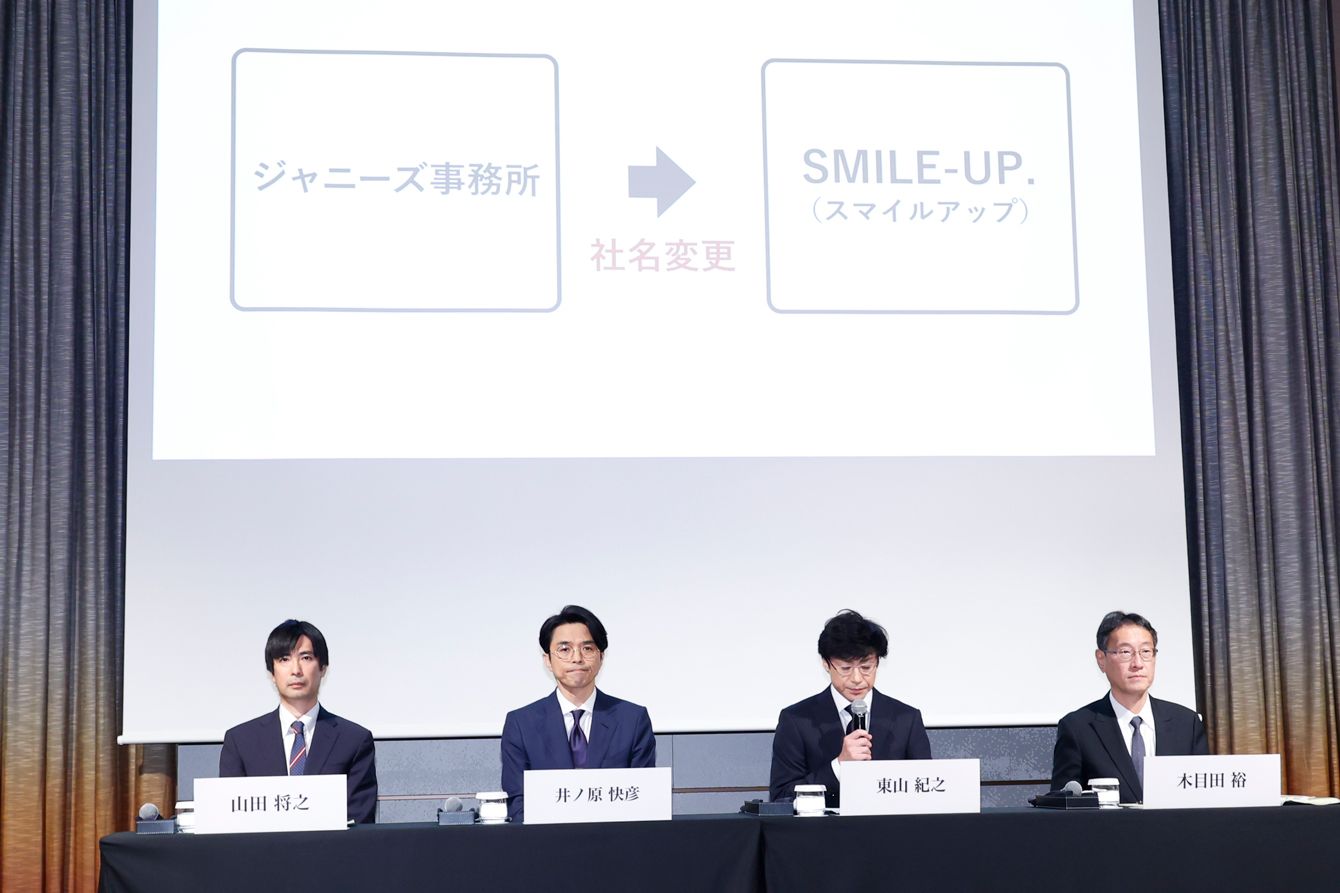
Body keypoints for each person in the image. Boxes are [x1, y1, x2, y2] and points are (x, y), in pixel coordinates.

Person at [500, 605, 655, 822]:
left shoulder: (632, 720)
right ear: (547, 660)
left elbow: (643, 800)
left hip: (615, 840)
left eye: (587, 649)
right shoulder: (521, 724)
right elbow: (518, 804)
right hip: (546, 840)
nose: (577, 658)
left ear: (601, 657)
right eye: (565, 650)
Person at [219, 619, 378, 823]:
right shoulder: (241, 741)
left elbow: (359, 822)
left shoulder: (354, 740)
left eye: (305, 658)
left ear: (322, 668)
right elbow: (231, 821)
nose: (296, 670)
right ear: (272, 672)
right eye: (284, 659)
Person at [769, 609, 931, 808]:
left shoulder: (906, 719)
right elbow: (781, 798)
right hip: (825, 828)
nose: (856, 679)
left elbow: (926, 789)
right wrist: (839, 766)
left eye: (866, 667)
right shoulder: (796, 720)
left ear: (877, 662)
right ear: (826, 664)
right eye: (846, 668)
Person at [1051, 610, 1208, 803]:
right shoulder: (1078, 728)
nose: (1138, 663)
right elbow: (1062, 805)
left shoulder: (1186, 724)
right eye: (1126, 652)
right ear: (1101, 659)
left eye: (1146, 652)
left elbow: (1204, 798)